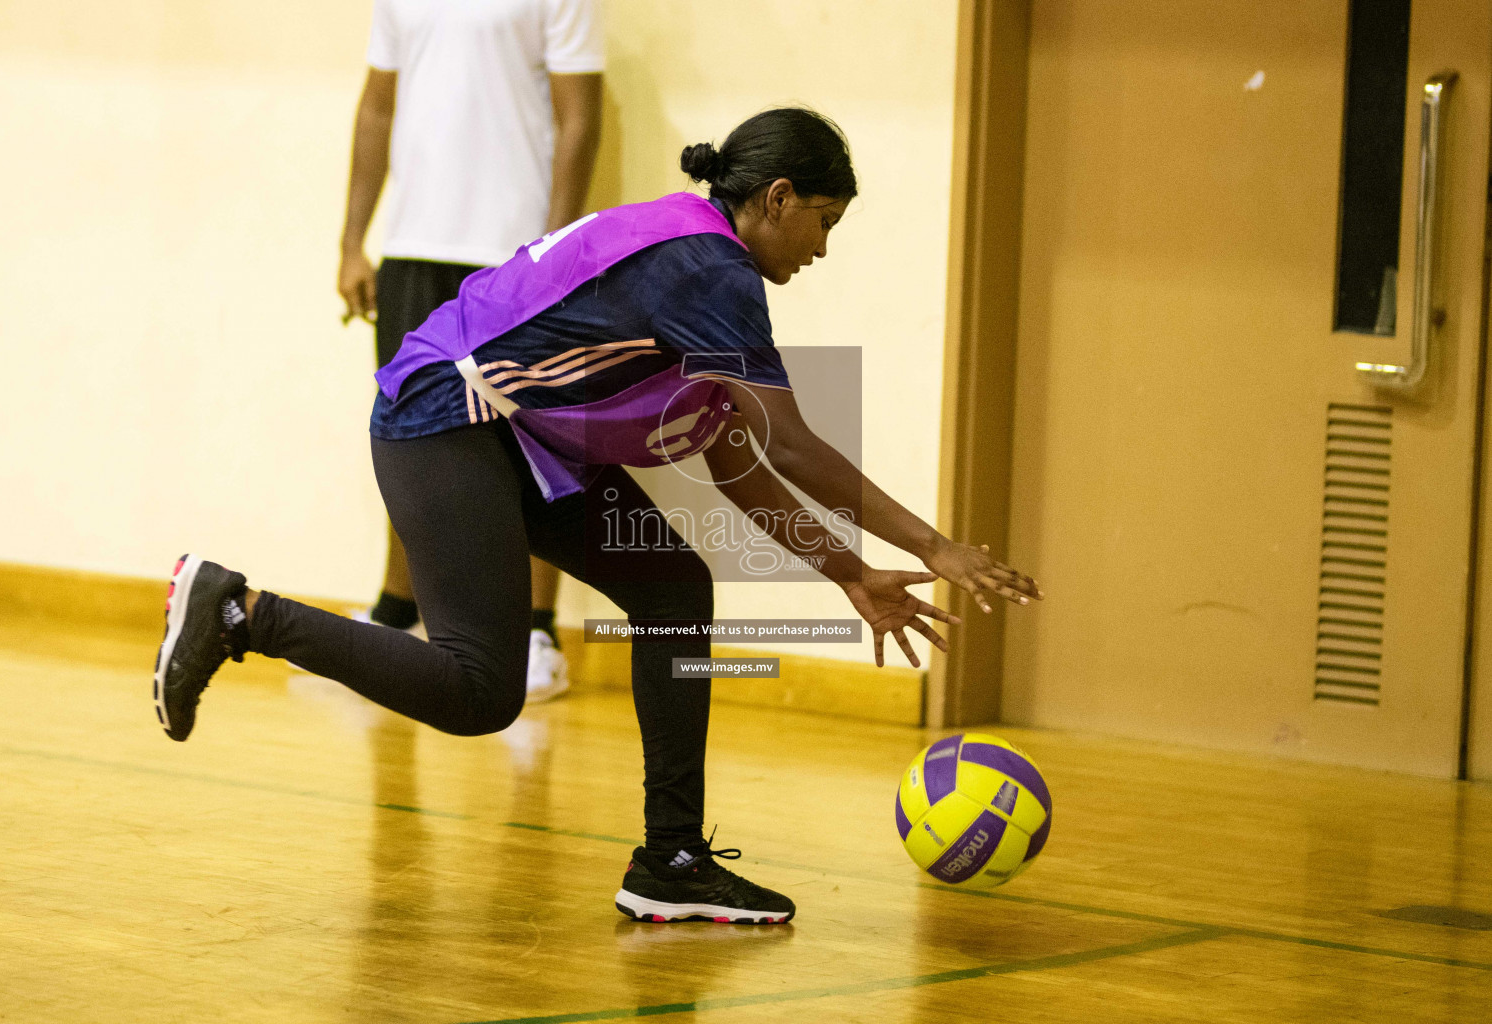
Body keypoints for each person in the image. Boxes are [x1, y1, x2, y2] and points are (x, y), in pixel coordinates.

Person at [152, 108, 1041, 925]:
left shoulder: (696, 260)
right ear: (778, 199)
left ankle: (672, 859)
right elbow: (793, 445)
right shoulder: (709, 269)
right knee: (479, 691)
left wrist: (849, 572)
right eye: (825, 221)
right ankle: (239, 611)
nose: (822, 247)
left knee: (673, 585)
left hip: (508, 429)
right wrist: (936, 546)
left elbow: (739, 461)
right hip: (444, 419)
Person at [338, 0, 604, 701]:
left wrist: (549, 257)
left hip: (509, 251)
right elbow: (377, 110)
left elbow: (581, 118)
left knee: (531, 441)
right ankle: (397, 615)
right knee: (410, 433)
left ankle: (537, 634)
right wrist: (352, 241)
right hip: (413, 251)